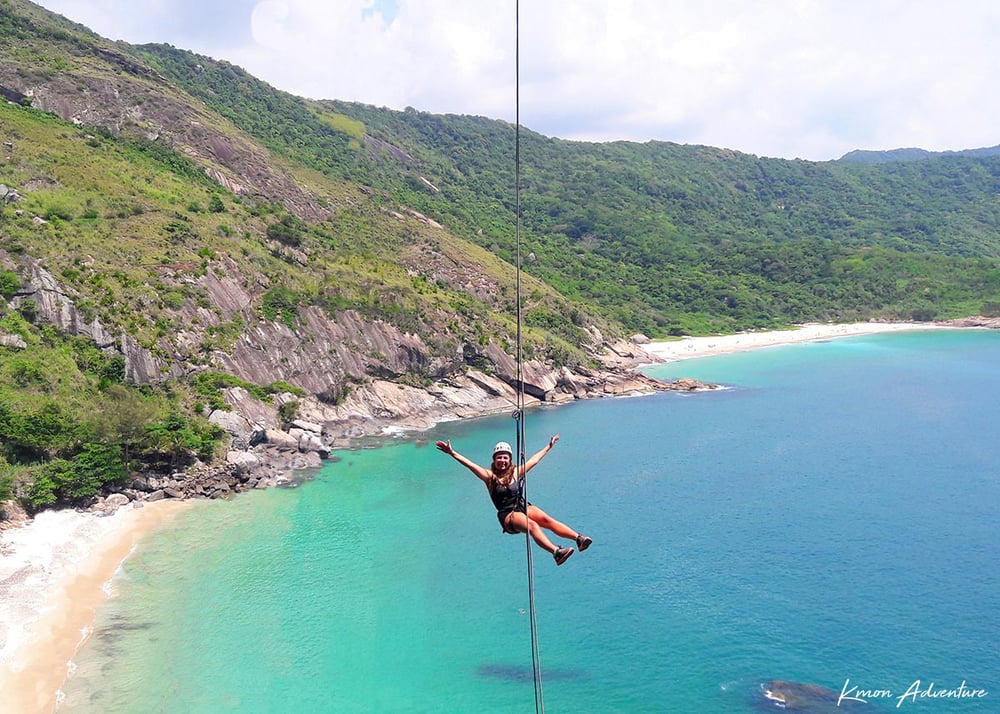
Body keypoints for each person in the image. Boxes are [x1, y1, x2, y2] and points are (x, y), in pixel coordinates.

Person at [435, 434, 592, 566]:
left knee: (546, 520)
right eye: (499, 458)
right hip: (508, 515)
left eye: (505, 458)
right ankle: (556, 552)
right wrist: (452, 452)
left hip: (521, 506)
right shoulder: (489, 477)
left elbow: (534, 460)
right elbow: (470, 465)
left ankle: (578, 539)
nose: (502, 461)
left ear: (509, 460)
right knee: (532, 525)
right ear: (494, 460)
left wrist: (549, 446)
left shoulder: (516, 472)